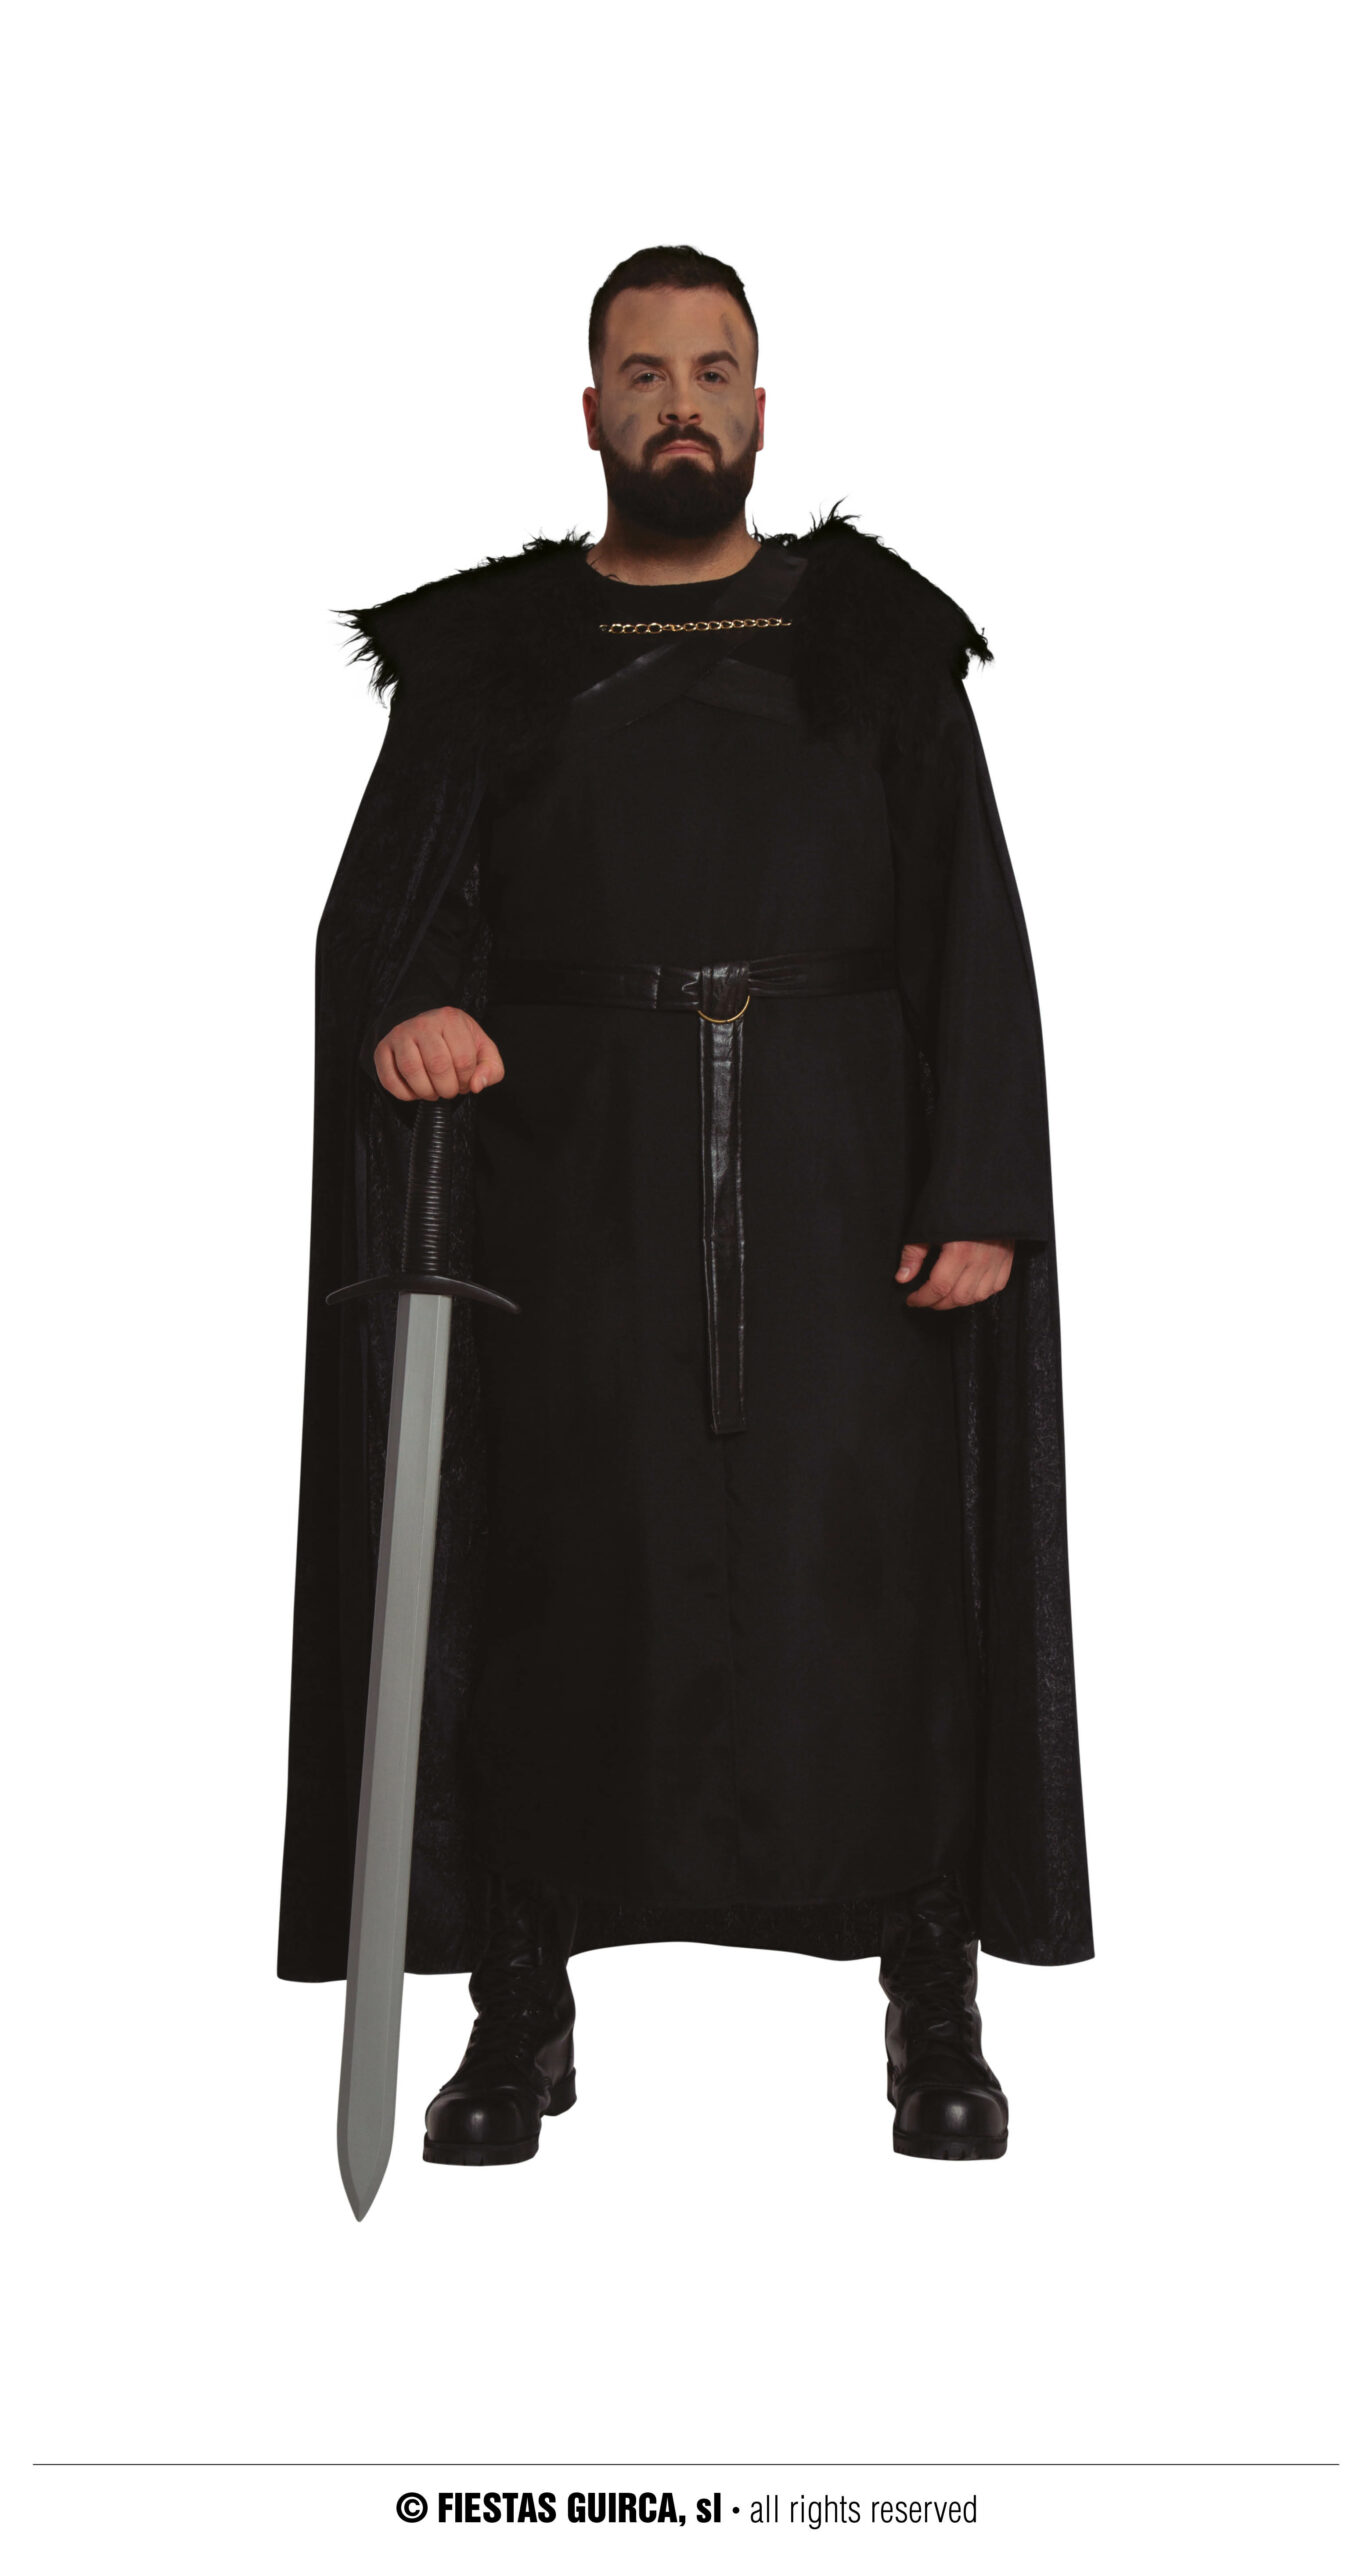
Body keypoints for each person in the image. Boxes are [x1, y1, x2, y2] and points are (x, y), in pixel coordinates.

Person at [277, 244, 1094, 2168]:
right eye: (643, 373)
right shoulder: (495, 654)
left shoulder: (872, 639)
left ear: (761, 406)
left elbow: (972, 926)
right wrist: (415, 1006)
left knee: (871, 1582)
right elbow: (384, 917)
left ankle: (931, 1994)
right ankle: (521, 2005)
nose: (680, 404)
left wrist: (981, 1183)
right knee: (568, 1579)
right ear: (591, 410)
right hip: (572, 1214)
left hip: (842, 1201)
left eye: (713, 371)